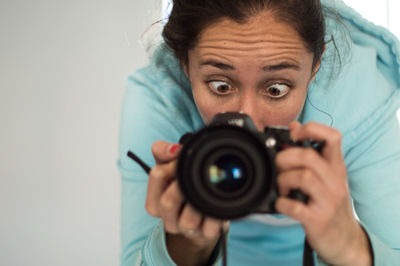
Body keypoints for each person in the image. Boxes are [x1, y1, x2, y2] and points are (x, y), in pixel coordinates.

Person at [118, 0, 400, 265]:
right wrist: (182, 246)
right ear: (185, 64)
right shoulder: (160, 99)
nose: (247, 119)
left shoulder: (359, 96)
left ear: (315, 66)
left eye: (276, 89)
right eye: (220, 86)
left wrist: (349, 244)